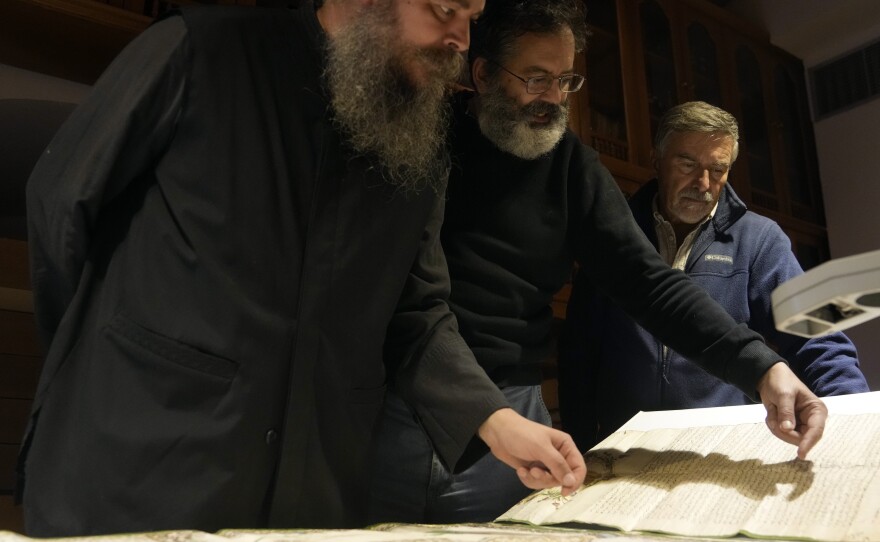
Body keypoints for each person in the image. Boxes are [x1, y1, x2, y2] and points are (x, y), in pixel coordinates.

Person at [17, 0, 590, 536]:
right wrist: (104, 370)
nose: (461, 41)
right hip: (140, 466)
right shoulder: (200, 51)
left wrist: (496, 420)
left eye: (472, 16)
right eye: (443, 10)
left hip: (310, 489)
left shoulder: (419, 136)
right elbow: (63, 206)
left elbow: (414, 313)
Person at [368, 0, 829, 525]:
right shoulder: (425, 138)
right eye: (537, 79)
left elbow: (648, 283)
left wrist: (763, 369)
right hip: (401, 398)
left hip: (514, 402)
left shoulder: (571, 166)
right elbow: (411, 300)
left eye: (566, 81)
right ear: (483, 74)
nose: (554, 99)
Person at [557, 100, 869, 451]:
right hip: (625, 445)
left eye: (718, 169)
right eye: (688, 163)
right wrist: (580, 446)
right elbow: (578, 357)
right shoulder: (613, 235)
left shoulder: (759, 240)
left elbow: (819, 338)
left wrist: (855, 425)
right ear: (656, 160)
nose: (703, 183)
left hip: (723, 446)